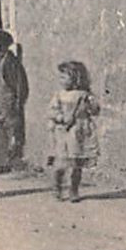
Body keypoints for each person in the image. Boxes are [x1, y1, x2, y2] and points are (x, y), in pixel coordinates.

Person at [46, 60, 100, 202]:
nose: (61, 80)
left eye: (64, 77)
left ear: (76, 78)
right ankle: (57, 186)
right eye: (60, 77)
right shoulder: (59, 95)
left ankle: (73, 189)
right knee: (60, 164)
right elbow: (51, 110)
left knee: (76, 164)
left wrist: (90, 105)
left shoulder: (84, 95)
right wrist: (60, 117)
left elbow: (95, 111)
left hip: (79, 132)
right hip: (64, 131)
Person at [0, 30, 30, 165]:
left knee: (11, 133)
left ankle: (12, 161)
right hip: (0, 103)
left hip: (8, 104)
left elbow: (18, 85)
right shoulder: (1, 59)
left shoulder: (10, 62)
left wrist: (17, 103)